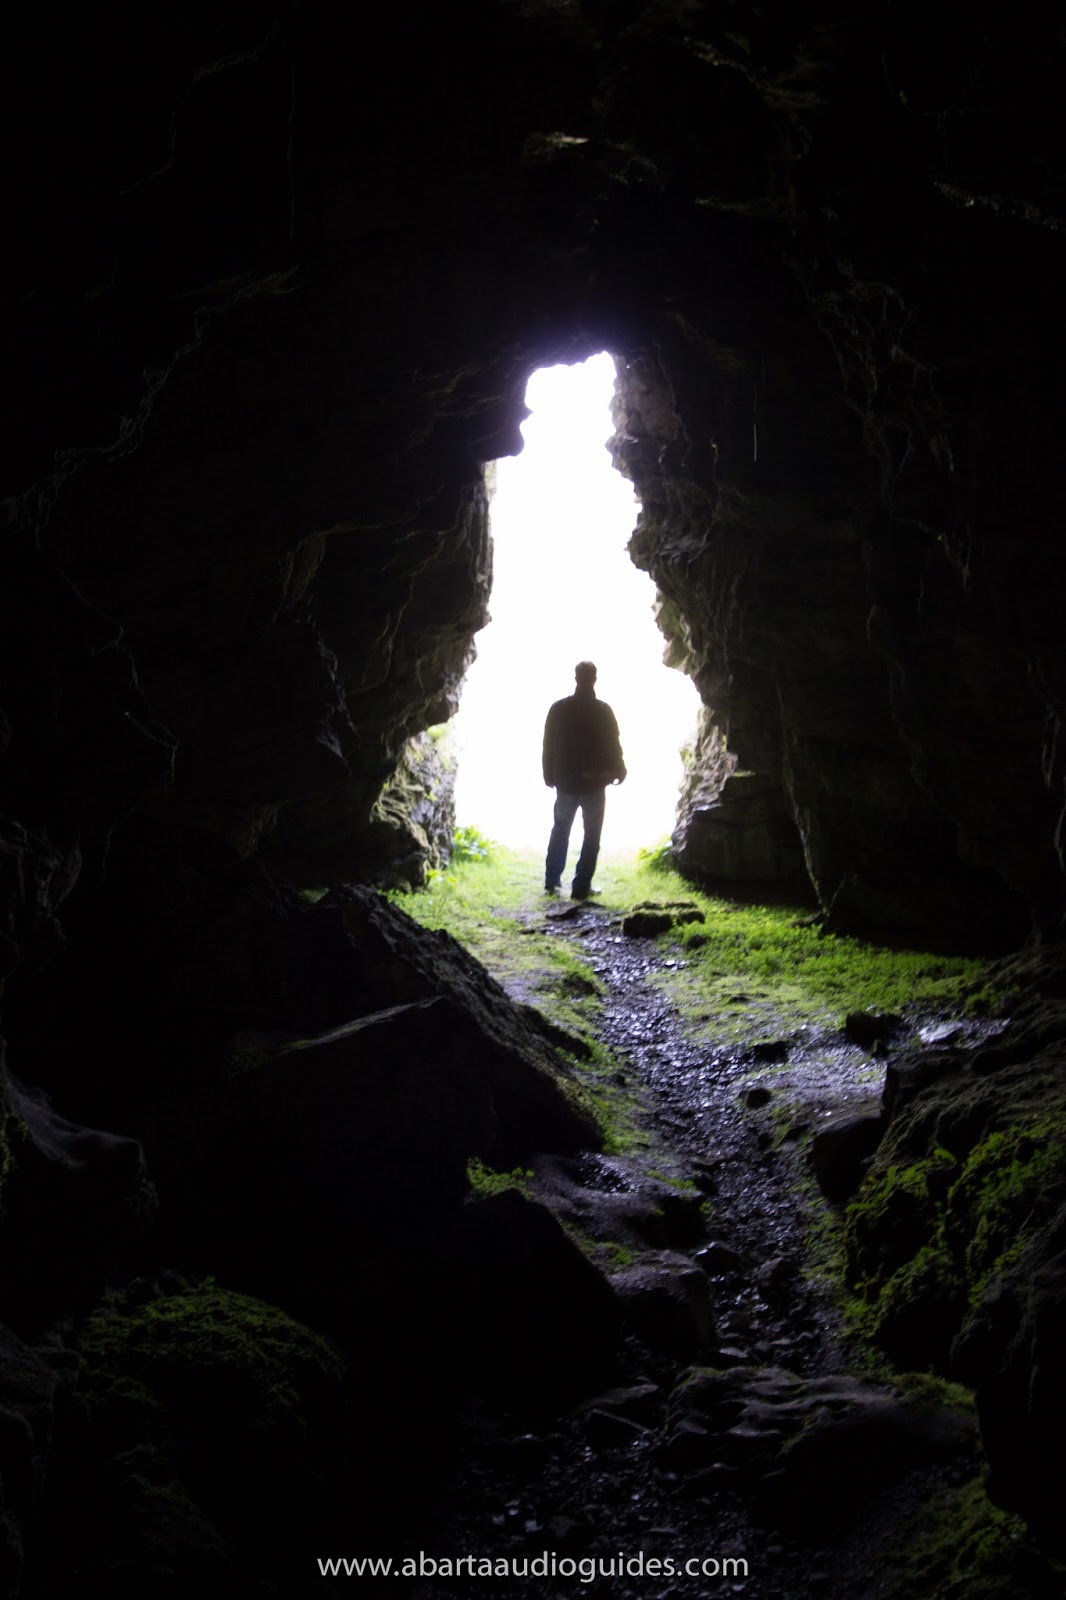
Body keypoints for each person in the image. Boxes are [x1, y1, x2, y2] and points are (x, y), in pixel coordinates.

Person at [542, 661, 627, 899]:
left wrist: (548, 774)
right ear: (595, 679)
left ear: (575, 678)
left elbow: (548, 744)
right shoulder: (603, 710)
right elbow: (614, 744)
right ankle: (581, 886)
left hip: (566, 783)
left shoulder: (558, 709)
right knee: (591, 835)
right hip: (594, 784)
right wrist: (620, 770)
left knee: (560, 830)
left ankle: (551, 880)